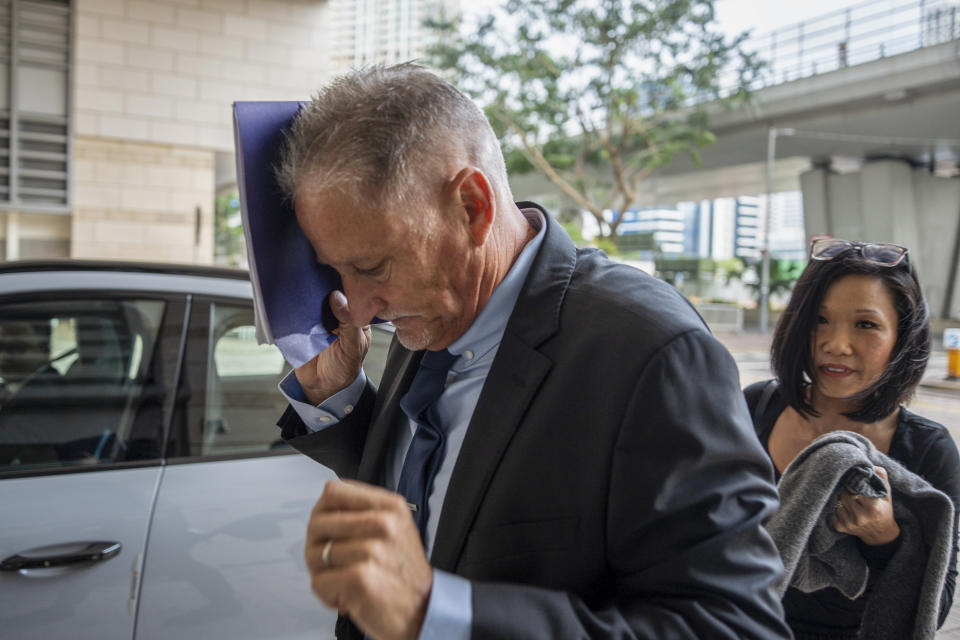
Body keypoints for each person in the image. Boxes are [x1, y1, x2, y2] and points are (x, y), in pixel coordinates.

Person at [274, 63, 791, 640]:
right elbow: (442, 489)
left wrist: (436, 612)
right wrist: (334, 395)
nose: (361, 306)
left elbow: (735, 627)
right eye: (339, 271)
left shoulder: (654, 353)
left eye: (372, 267)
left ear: (472, 206)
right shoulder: (434, 305)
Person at [744, 238, 960, 639]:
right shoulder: (756, 408)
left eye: (866, 325)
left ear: (902, 336)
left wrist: (885, 539)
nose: (836, 345)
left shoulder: (929, 451)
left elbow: (935, 603)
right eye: (820, 320)